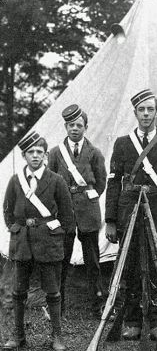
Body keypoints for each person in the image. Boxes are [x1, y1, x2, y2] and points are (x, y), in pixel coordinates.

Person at [105, 88, 157, 340]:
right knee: (130, 269)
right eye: (142, 109)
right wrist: (110, 220)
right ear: (135, 113)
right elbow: (114, 183)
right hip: (130, 213)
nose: (146, 114)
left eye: (151, 109)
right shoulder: (122, 143)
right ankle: (133, 321)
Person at [3, 131, 74, 351]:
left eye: (39, 152)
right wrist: (17, 229)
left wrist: (56, 235)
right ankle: (18, 335)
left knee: (52, 291)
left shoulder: (56, 180)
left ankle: (57, 336)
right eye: (30, 152)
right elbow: (8, 211)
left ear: (45, 156)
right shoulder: (16, 181)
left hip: (48, 242)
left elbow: (67, 215)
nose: (35, 156)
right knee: (18, 291)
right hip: (22, 242)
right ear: (24, 155)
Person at [48, 104, 107, 316]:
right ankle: (58, 306)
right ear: (65, 126)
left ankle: (98, 306)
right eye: (71, 125)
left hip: (88, 212)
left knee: (92, 260)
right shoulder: (55, 153)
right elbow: (49, 181)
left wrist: (87, 197)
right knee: (61, 258)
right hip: (63, 211)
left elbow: (100, 183)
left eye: (79, 125)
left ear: (86, 127)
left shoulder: (94, 153)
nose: (75, 129)